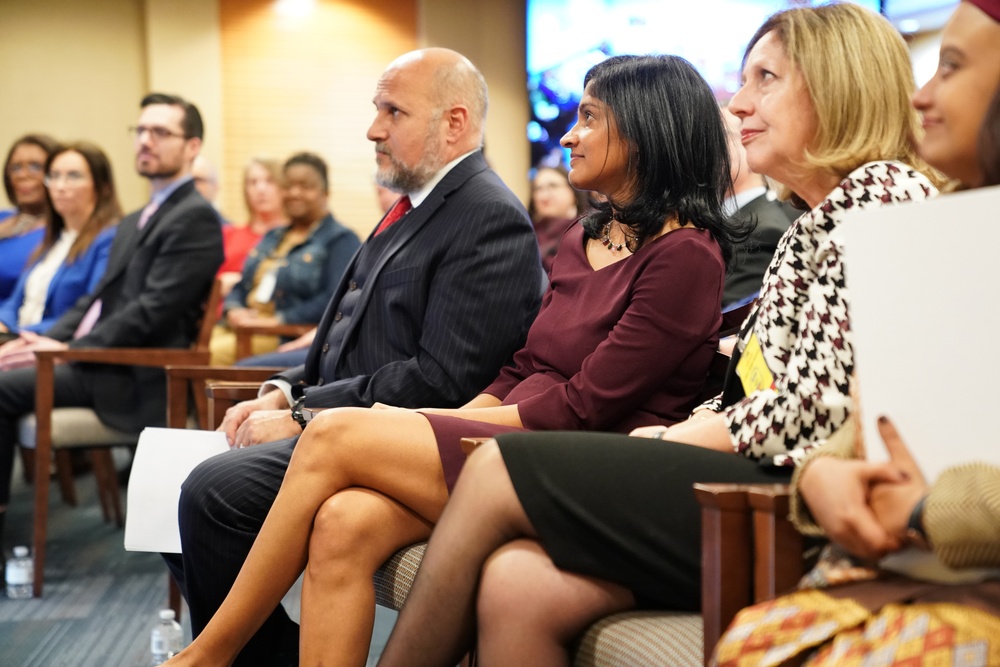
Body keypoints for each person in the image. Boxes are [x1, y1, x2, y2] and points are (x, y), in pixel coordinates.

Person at [375, 5, 946, 666]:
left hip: (793, 496)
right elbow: (761, 380)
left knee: (500, 463)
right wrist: (691, 424)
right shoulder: (812, 220)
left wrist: (675, 436)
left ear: (836, 85)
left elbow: (815, 408)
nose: (736, 105)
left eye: (765, 79)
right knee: (517, 584)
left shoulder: (881, 196)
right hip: (750, 470)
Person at [166, 52, 741, 667]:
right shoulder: (584, 235)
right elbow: (523, 367)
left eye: (591, 117)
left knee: (330, 434)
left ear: (647, 129)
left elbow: (583, 407)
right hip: (507, 436)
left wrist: (436, 427)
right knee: (342, 521)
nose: (570, 135)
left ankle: (207, 655)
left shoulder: (686, 257)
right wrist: (458, 420)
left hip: (579, 466)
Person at [163, 48, 543, 666]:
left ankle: (225, 657)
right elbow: (345, 339)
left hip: (405, 443)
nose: (373, 128)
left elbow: (445, 380)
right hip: (348, 424)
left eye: (393, 111)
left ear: (454, 122)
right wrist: (284, 390)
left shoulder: (488, 218)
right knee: (170, 473)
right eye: (376, 109)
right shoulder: (417, 202)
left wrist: (306, 414)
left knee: (214, 490)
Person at [713, 2, 1000, 664]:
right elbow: (875, 408)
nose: (921, 95)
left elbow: (818, 401)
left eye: (949, 68)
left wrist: (928, 509)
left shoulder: (893, 199)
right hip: (896, 561)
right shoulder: (950, 223)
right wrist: (821, 476)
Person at [0, 92, 223, 545]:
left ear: (192, 146)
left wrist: (71, 350)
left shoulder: (195, 217)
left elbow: (152, 312)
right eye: (140, 131)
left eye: (161, 132)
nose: (145, 140)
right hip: (100, 361)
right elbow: (97, 299)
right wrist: (38, 339)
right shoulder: (135, 219)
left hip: (132, 375)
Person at [209, 152, 360, 365]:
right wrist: (234, 309)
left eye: (305, 186)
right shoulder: (273, 237)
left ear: (325, 193)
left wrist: (279, 320)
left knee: (213, 355)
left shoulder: (340, 239)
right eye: (288, 186)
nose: (294, 193)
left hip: (286, 335)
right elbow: (241, 284)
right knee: (195, 350)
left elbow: (334, 299)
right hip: (244, 328)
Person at [0, 142, 120, 340]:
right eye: (53, 176)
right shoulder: (53, 240)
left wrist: (21, 334)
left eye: (73, 176)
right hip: (16, 340)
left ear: (102, 186)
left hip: (55, 346)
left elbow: (90, 313)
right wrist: (3, 324)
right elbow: (15, 302)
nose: (60, 186)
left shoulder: (108, 239)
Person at [720, 108, 798, 308]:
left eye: (719, 135)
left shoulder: (763, 231)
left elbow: (729, 319)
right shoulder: (708, 219)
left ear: (748, 143)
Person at [0, 134, 59, 301]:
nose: (22, 175)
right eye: (16, 168)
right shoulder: (2, 216)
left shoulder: (58, 232)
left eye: (35, 166)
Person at [217, 157, 287, 295]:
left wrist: (239, 282)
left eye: (270, 181)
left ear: (283, 187)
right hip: (224, 313)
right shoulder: (227, 235)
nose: (261, 189)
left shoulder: (297, 240)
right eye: (253, 182)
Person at [528, 165, 590, 274]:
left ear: (573, 192)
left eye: (553, 186)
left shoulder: (587, 233)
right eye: (538, 189)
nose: (544, 195)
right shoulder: (527, 233)